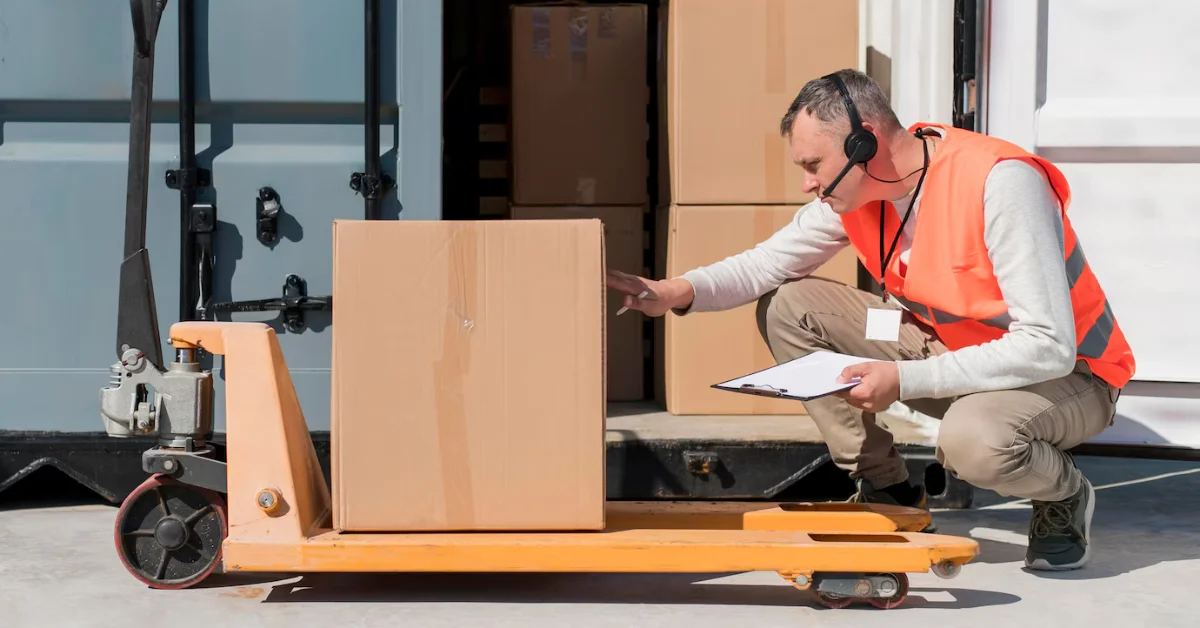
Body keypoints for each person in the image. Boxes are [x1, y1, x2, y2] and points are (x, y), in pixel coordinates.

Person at [607, 69, 1134, 572]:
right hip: (953, 353)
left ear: (865, 145)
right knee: (790, 306)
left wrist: (903, 379)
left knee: (973, 443)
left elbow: (1047, 345)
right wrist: (673, 291)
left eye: (813, 165)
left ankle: (1063, 492)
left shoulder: (1000, 183)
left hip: (1066, 377)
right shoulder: (858, 193)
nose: (808, 184)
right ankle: (886, 487)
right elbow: (766, 264)